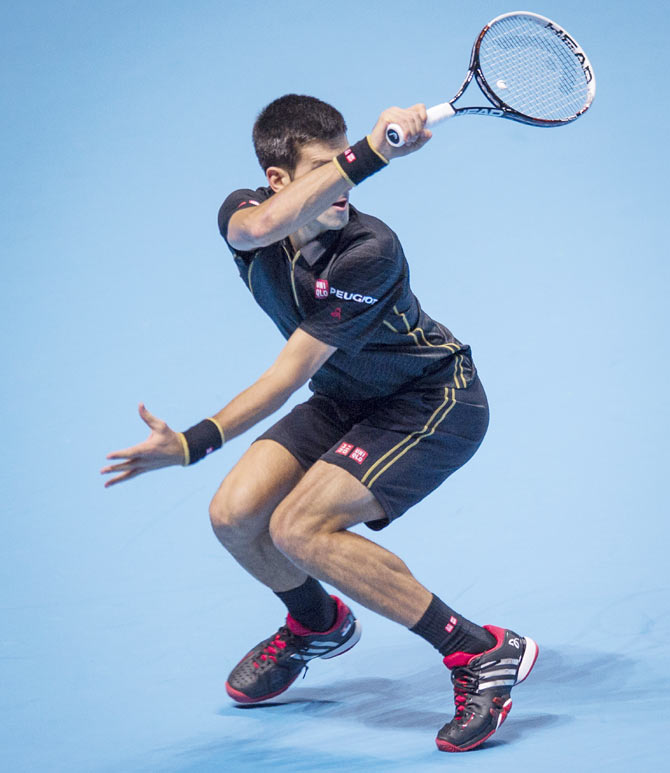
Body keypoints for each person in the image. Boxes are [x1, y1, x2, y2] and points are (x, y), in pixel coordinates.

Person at [101, 94, 538, 753]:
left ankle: (479, 651)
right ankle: (317, 625)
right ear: (277, 179)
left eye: (346, 170)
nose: (344, 185)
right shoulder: (245, 218)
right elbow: (257, 228)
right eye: (323, 172)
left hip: (429, 400)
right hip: (344, 398)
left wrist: (193, 441)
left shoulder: (369, 251)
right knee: (234, 515)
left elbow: (285, 377)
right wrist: (369, 152)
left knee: (298, 527)